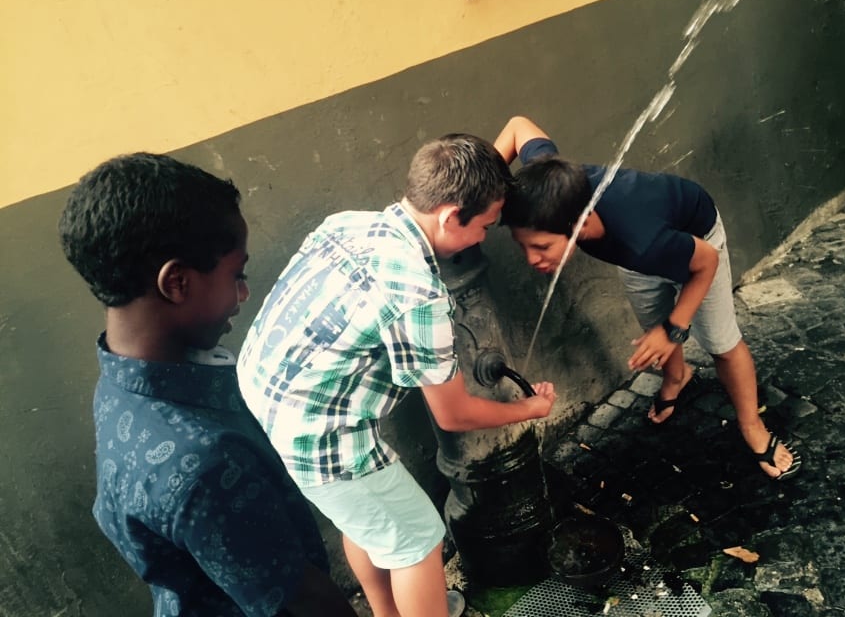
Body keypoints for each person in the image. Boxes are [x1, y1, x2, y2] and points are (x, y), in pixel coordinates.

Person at [237, 134, 557, 617]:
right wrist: (528, 408)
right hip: (319, 437)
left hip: (266, 398)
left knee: (368, 523)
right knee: (417, 541)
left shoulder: (346, 224)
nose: (483, 237)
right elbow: (452, 414)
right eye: (486, 226)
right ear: (451, 216)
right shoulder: (418, 292)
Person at [58, 153, 358, 617]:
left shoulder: (122, 382)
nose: (243, 294)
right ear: (176, 282)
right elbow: (302, 602)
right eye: (236, 275)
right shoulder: (203, 462)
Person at [494, 115, 801, 481]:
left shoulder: (644, 238)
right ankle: (677, 377)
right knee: (651, 329)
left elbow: (706, 262)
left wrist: (674, 327)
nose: (532, 259)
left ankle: (753, 426)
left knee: (721, 342)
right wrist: (479, 203)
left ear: (581, 220)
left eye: (541, 247)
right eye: (524, 246)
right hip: (639, 255)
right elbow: (517, 126)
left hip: (697, 243)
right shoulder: (546, 182)